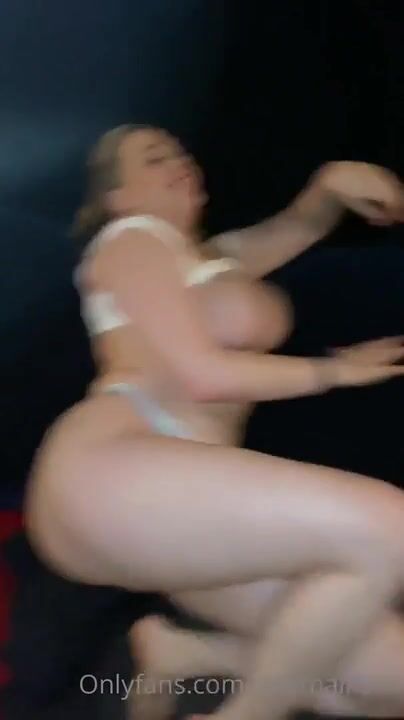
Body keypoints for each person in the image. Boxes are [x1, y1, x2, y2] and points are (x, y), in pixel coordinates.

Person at [24, 124, 404, 720]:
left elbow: (294, 227)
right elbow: (203, 374)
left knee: (392, 682)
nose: (179, 161)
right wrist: (334, 372)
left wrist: (329, 187)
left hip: (183, 502)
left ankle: (187, 653)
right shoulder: (131, 239)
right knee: (389, 526)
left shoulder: (210, 260)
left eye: (180, 152)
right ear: (118, 197)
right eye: (154, 157)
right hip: (119, 458)